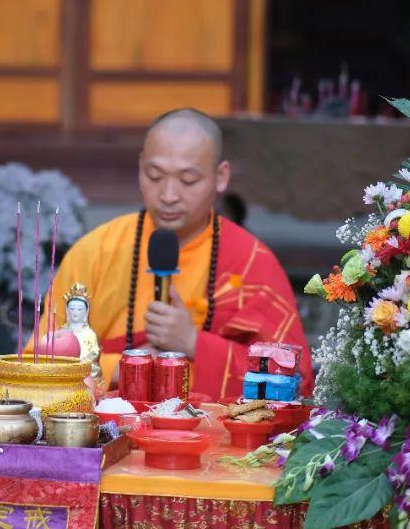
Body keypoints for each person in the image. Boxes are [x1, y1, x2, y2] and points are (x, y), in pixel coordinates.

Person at [36, 108, 313, 399]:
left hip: (217, 438)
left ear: (221, 177)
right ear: (141, 167)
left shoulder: (250, 262)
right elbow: (40, 363)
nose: (168, 195)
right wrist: (124, 368)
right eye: (154, 176)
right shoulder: (95, 252)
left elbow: (295, 380)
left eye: (188, 180)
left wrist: (194, 343)